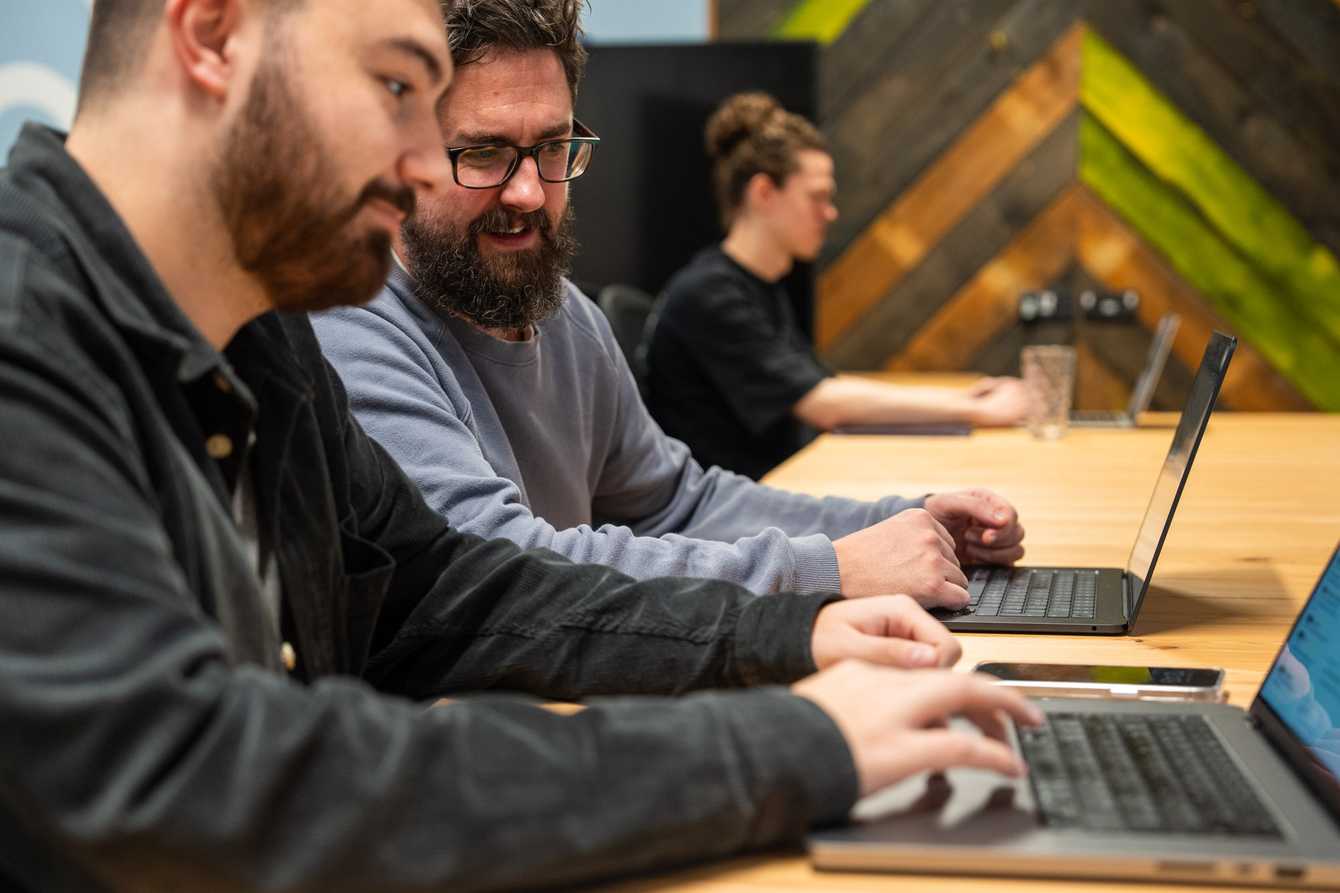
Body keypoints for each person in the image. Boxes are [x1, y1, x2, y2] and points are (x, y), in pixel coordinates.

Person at [0, 0, 1043, 889]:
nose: (419, 166)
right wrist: (788, 742)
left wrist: (784, 634)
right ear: (215, 32)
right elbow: (204, 780)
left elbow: (454, 590)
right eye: (396, 87)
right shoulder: (23, 344)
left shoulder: (261, 339)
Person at [313, 0, 1026, 610]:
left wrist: (906, 521)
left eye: (553, 146)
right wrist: (832, 571)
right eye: (483, 153)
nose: (529, 191)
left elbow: (680, 505)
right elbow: (501, 564)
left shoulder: (567, 316)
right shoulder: (350, 324)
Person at [645, 92, 1034, 480]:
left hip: (775, 487)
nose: (829, 213)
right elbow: (823, 403)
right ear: (763, 192)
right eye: (817, 197)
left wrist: (959, 398)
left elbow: (824, 386)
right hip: (734, 518)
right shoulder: (710, 294)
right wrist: (976, 412)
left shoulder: (757, 287)